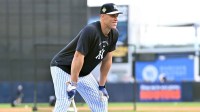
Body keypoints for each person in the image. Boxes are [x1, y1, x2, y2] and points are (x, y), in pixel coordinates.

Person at [50, 3, 122, 112]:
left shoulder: (114, 34)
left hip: (83, 72)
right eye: (112, 15)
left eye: (117, 15)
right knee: (64, 101)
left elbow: (107, 60)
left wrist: (102, 86)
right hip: (62, 67)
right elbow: (78, 56)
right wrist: (73, 84)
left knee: (101, 100)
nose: (115, 18)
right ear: (102, 16)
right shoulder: (91, 30)